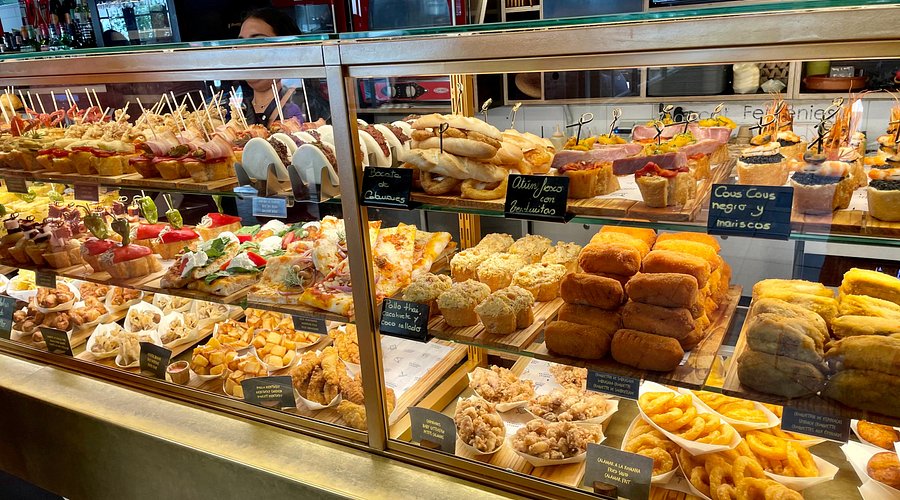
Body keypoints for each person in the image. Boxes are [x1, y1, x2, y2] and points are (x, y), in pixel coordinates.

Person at [237, 8, 307, 126]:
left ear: (286, 49)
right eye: (240, 43)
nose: (245, 50)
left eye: (257, 42)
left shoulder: (306, 105)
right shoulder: (234, 110)